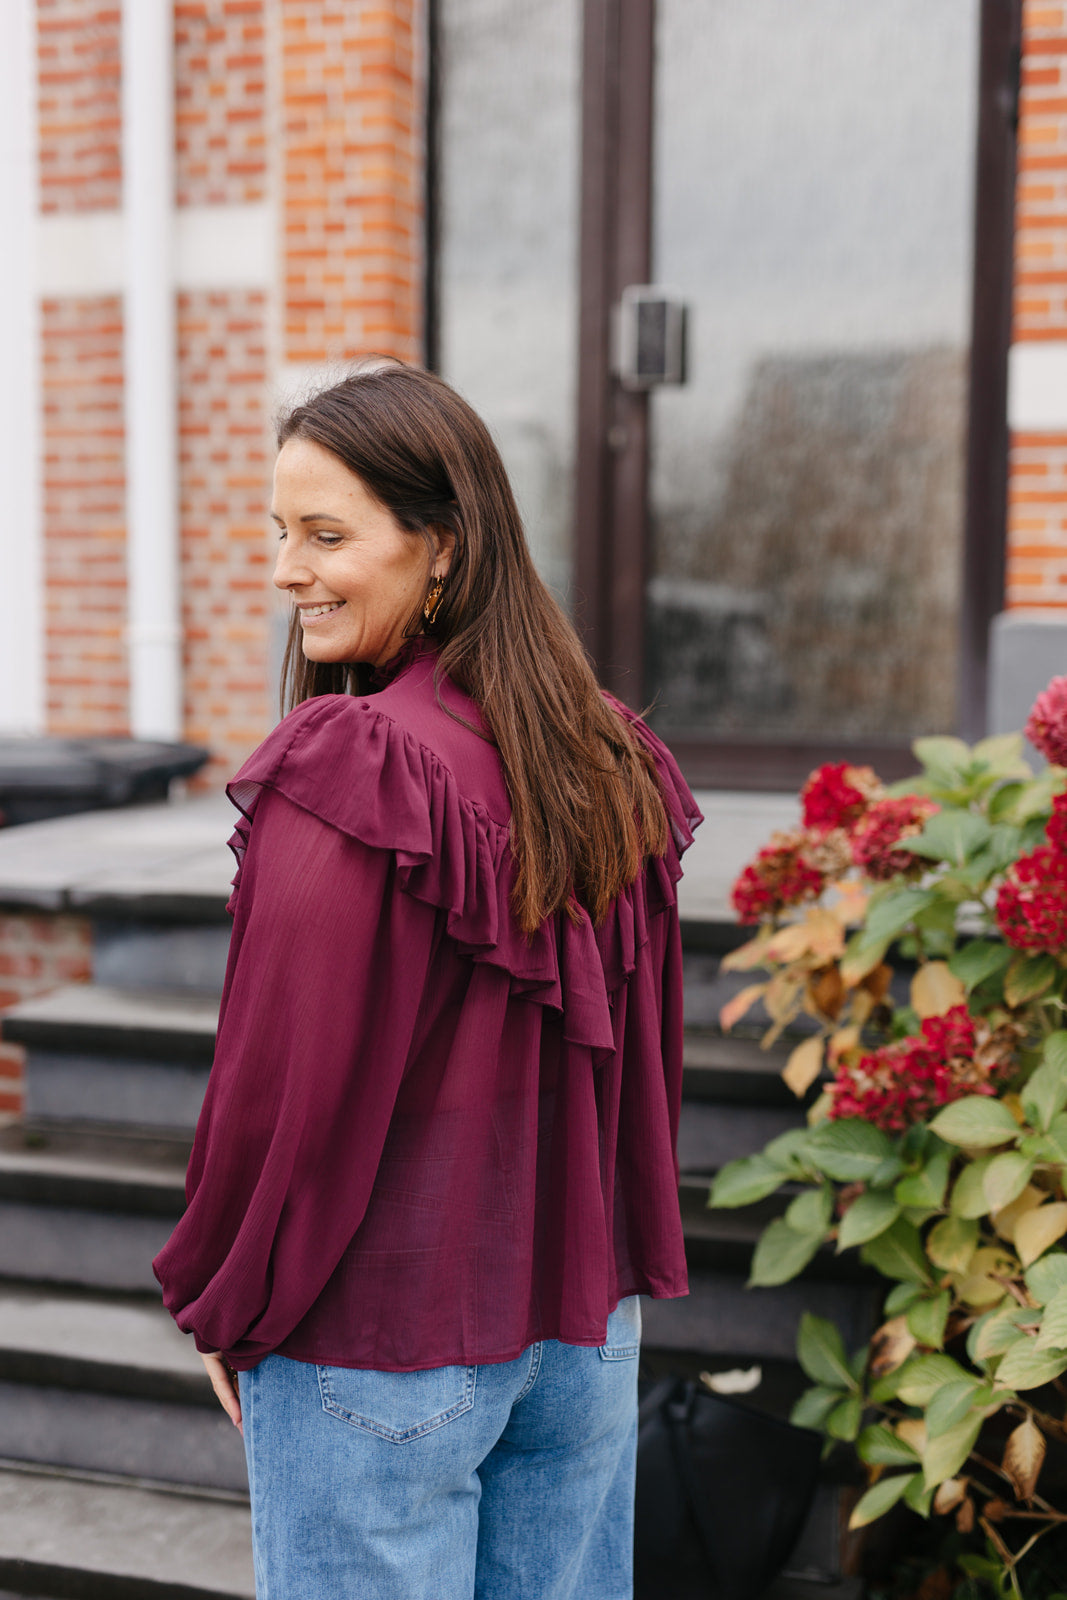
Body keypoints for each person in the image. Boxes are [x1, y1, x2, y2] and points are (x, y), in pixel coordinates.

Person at [154, 360, 701, 1600]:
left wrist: (220, 1299)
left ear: (441, 548)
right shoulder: (612, 757)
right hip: (581, 1338)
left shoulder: (360, 767)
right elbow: (647, 1069)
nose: (287, 568)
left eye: (326, 535)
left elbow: (279, 1087)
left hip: (379, 1344)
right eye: (281, 532)